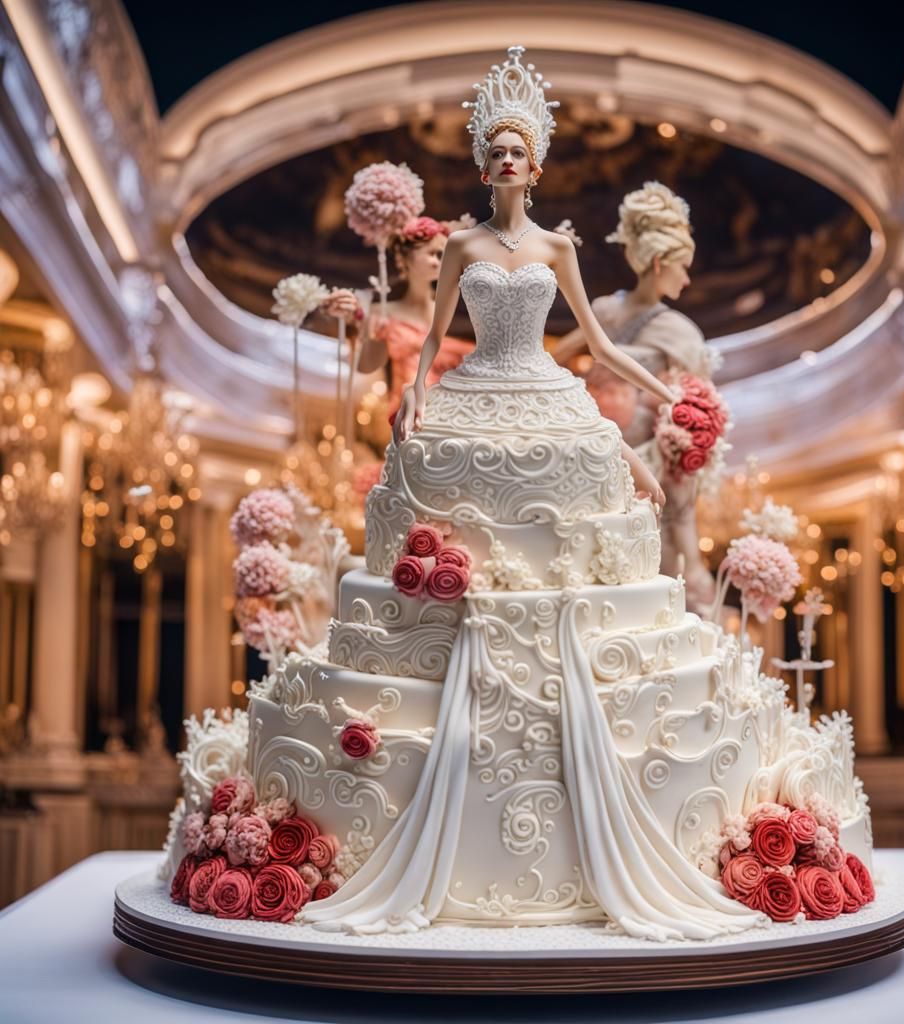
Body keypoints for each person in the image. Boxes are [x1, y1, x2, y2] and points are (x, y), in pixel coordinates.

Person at [299, 45, 762, 942]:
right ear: (483, 162)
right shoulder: (466, 244)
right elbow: (435, 342)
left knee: (600, 482)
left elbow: (592, 338)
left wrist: (670, 395)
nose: (509, 162)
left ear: (538, 163)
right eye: (496, 150)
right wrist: (411, 400)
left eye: (521, 150)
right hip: (478, 391)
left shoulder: (556, 246)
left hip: (546, 388)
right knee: (445, 483)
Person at [554, 182, 721, 606]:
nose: (686, 277)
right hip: (607, 446)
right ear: (660, 261)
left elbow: (694, 400)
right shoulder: (621, 314)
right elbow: (560, 353)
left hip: (644, 450)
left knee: (657, 541)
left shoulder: (664, 326)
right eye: (683, 266)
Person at [322, 216, 472, 416]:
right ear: (406, 257)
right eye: (434, 253)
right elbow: (367, 365)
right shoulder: (381, 313)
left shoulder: (454, 312)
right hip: (407, 415)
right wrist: (361, 324)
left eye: (444, 255)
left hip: (453, 414)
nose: (441, 261)